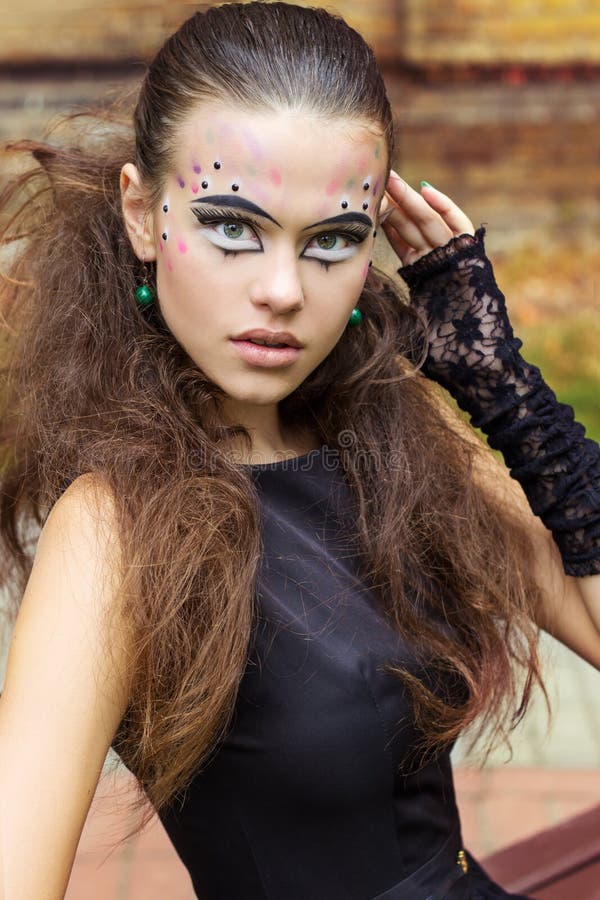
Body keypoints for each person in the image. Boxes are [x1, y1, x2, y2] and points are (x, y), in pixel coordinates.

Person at [0, 3, 598, 898]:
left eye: (331, 241)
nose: (282, 291)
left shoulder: (394, 447)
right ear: (139, 213)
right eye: (232, 227)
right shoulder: (114, 528)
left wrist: (502, 388)